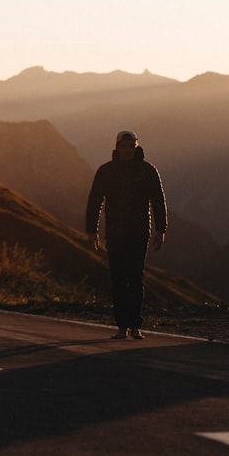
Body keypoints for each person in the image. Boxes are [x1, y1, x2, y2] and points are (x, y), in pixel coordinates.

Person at [85, 130, 167, 340]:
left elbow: (158, 200)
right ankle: (122, 326)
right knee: (119, 279)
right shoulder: (106, 172)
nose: (128, 150)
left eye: (131, 146)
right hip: (115, 232)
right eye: (124, 147)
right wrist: (91, 230)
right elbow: (95, 201)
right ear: (117, 148)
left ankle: (135, 326)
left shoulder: (148, 171)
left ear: (136, 147)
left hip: (139, 231)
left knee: (136, 277)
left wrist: (161, 229)